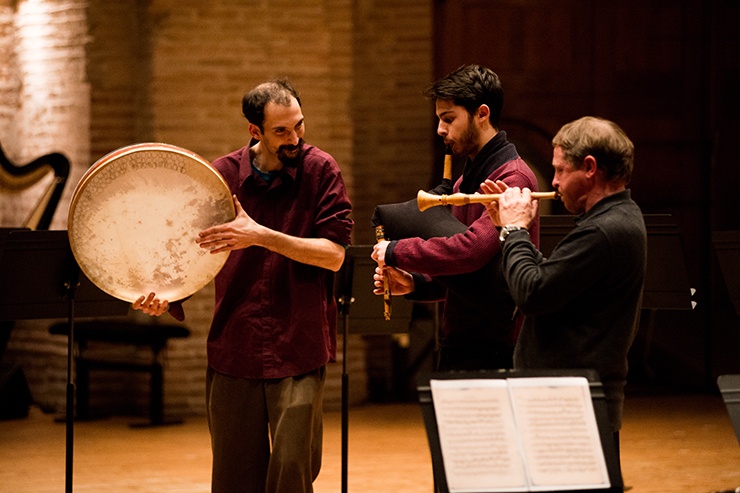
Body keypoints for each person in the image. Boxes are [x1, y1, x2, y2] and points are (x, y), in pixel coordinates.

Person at [133, 79, 353, 493]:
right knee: (234, 478)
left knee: (293, 468)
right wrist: (166, 295)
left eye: (299, 126)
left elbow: (335, 254)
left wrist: (262, 235)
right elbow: (191, 250)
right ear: (255, 131)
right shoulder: (221, 176)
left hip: (298, 344)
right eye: (282, 131)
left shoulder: (321, 169)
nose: (296, 139)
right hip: (236, 343)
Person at [481, 116, 646, 453]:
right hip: (568, 400)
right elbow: (553, 283)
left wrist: (515, 231)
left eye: (559, 170)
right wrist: (505, 227)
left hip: (571, 405)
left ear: (589, 167)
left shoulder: (604, 230)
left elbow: (533, 292)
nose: (553, 181)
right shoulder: (613, 220)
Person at [371, 64, 540, 371]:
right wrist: (414, 284)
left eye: (448, 119)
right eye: (439, 119)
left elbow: (471, 251)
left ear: (482, 114)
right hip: (460, 340)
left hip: (498, 345)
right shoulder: (464, 183)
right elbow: (464, 277)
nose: (440, 129)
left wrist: (397, 250)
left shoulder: (514, 178)